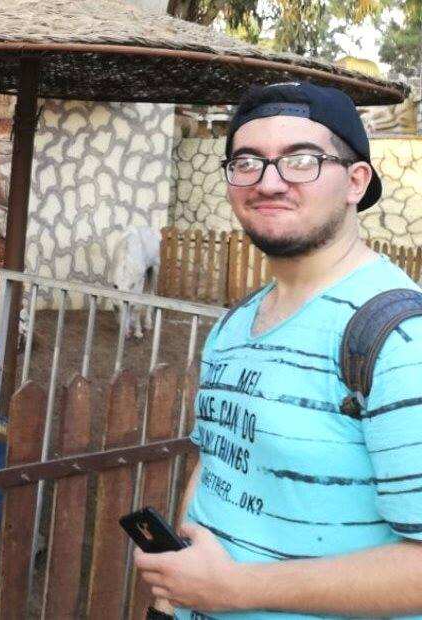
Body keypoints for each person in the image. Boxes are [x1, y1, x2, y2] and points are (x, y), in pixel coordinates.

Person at [134, 82, 422, 619]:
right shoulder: (237, 322)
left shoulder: (399, 339)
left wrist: (233, 591)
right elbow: (219, 462)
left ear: (356, 181)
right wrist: (182, 582)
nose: (269, 182)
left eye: (302, 160)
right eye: (247, 162)